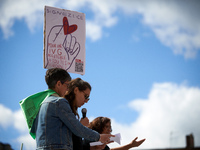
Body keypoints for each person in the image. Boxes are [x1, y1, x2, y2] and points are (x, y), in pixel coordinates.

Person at [30, 69, 113, 150]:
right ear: (59, 84)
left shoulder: (42, 103)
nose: (67, 89)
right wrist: (99, 137)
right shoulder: (59, 102)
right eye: (67, 85)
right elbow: (77, 129)